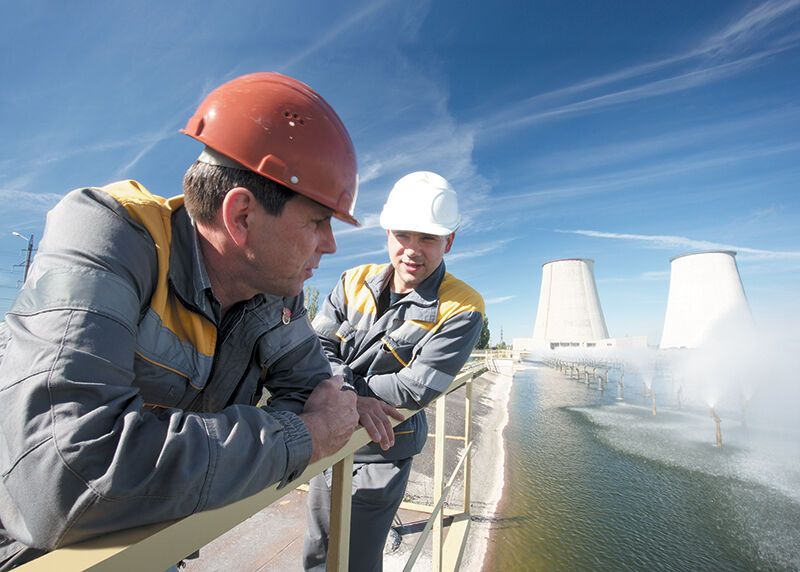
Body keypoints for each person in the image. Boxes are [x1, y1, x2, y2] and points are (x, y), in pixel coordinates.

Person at [0, 72, 361, 570]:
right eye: (318, 222)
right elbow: (65, 475)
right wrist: (300, 439)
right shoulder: (109, 235)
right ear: (241, 217)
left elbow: (313, 392)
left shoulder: (277, 294)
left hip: (146, 535)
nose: (331, 245)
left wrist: (161, 454)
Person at [302, 171, 485, 571]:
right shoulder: (353, 281)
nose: (412, 250)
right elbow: (317, 348)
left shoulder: (462, 308)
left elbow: (414, 388)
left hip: (384, 446)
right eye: (404, 235)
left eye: (428, 238)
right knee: (318, 551)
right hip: (327, 435)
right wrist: (352, 395)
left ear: (448, 242)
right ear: (387, 232)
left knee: (357, 559)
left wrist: (340, 390)